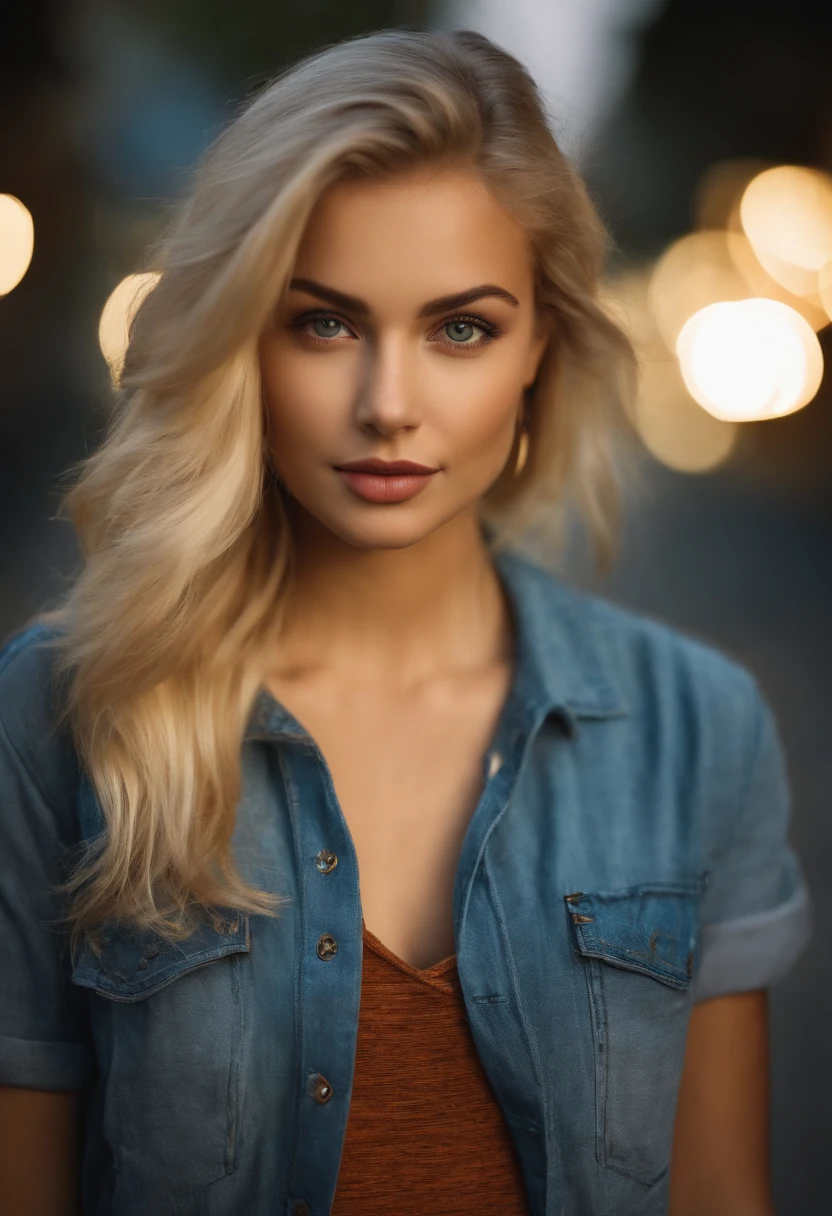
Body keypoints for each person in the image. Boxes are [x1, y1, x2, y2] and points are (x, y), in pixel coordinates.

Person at [0, 26, 810, 1216]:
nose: (388, 405)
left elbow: (719, 1194)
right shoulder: (62, 708)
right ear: (243, 339)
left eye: (460, 328)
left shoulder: (699, 727)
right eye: (324, 322)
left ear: (541, 348)